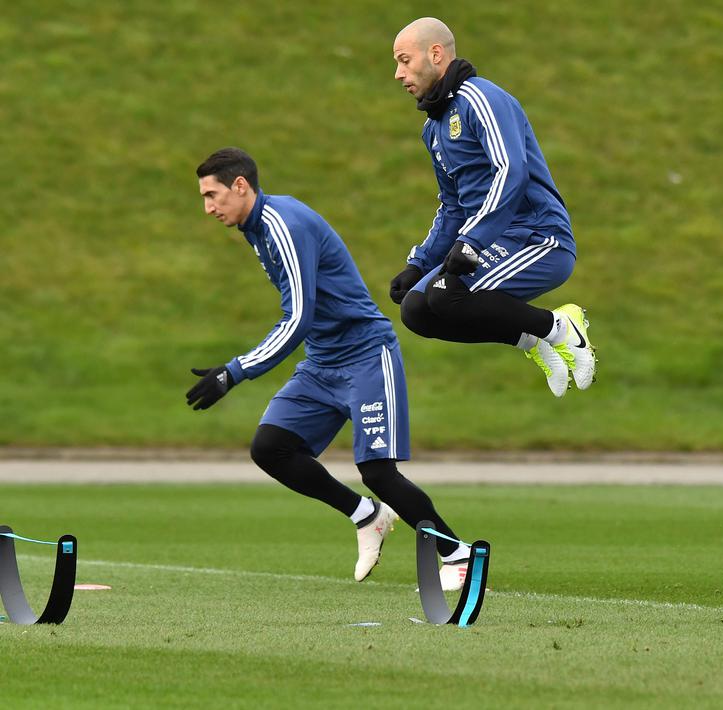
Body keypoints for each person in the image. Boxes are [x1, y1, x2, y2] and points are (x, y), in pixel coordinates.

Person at [187, 147, 470, 590]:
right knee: (271, 447)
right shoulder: (254, 227)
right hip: (323, 362)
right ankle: (367, 516)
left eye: (212, 195)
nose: (207, 208)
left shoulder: (282, 224)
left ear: (240, 185)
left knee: (378, 472)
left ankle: (458, 555)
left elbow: (298, 316)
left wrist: (234, 371)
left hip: (365, 355)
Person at [386, 17, 595, 398]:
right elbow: (452, 205)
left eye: (404, 60)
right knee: (415, 310)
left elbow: (511, 172)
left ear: (435, 54)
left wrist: (473, 241)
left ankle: (562, 327)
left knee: (445, 295)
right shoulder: (433, 129)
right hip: (487, 241)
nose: (398, 74)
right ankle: (535, 342)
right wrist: (419, 261)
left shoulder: (480, 98)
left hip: (538, 237)